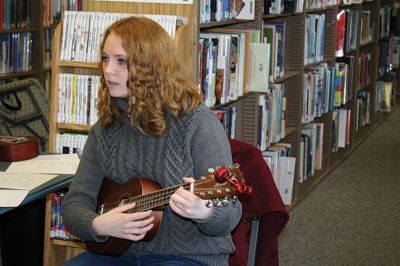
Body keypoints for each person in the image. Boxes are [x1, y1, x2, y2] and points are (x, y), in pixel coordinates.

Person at [62, 16, 242, 266]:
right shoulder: (105, 127)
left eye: (121, 61)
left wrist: (206, 212)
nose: (108, 70)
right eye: (105, 58)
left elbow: (230, 212)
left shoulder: (198, 123)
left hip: (188, 256)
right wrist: (99, 224)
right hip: (119, 253)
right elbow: (74, 204)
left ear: (151, 67)